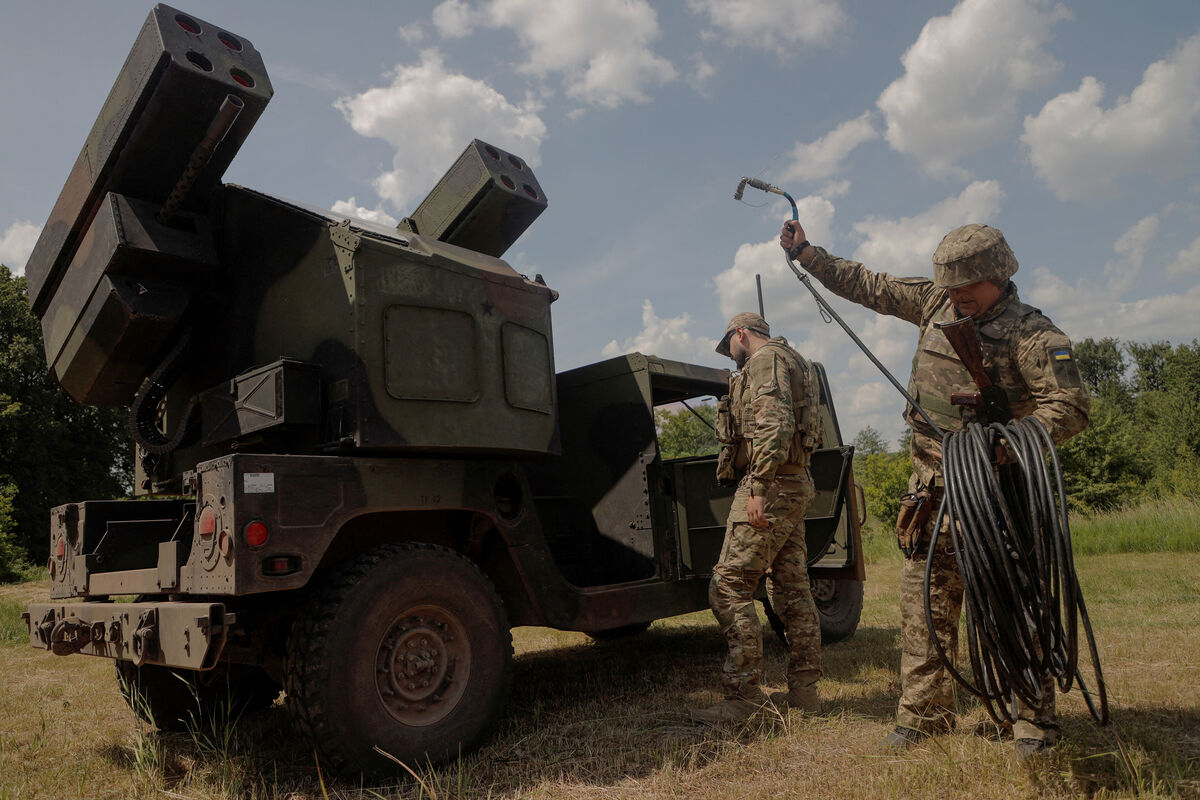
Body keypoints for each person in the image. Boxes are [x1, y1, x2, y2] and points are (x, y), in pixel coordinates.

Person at [779, 221, 1090, 757]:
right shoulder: (933, 304)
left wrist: (1004, 443)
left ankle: (1031, 721)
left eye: (966, 289)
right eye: (950, 288)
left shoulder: (1034, 334)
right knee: (924, 608)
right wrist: (809, 255)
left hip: (1003, 498)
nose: (957, 299)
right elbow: (870, 285)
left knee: (1018, 607)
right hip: (934, 497)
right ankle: (923, 715)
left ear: (998, 275)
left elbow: (1070, 408)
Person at [690, 312, 824, 725]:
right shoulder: (795, 359)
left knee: (728, 586)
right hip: (795, 481)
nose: (730, 353)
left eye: (728, 343)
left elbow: (775, 424)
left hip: (773, 484)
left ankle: (742, 698)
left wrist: (759, 486)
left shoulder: (764, 361)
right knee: (792, 587)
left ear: (741, 334)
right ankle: (805, 692)